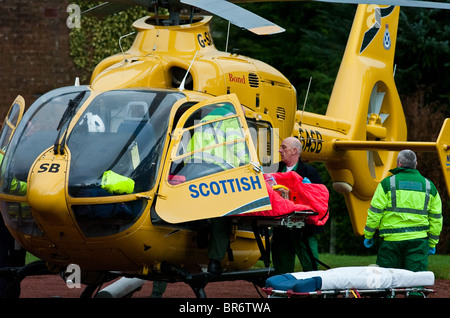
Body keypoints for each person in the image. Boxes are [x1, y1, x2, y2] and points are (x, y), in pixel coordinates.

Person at [364, 149, 443, 272]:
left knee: (387, 282)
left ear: (399, 164)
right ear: (415, 164)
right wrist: (432, 243)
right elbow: (436, 218)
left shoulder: (386, 184)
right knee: (415, 282)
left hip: (391, 242)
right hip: (418, 242)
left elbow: (375, 212)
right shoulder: (429, 186)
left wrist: (368, 235)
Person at [271, 136, 323, 274]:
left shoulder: (311, 173)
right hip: (280, 228)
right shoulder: (274, 170)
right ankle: (281, 294)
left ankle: (313, 294)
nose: (279, 150)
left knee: (311, 267)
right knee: (281, 269)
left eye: (284, 147)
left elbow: (319, 201)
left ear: (294, 150)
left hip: (304, 229)